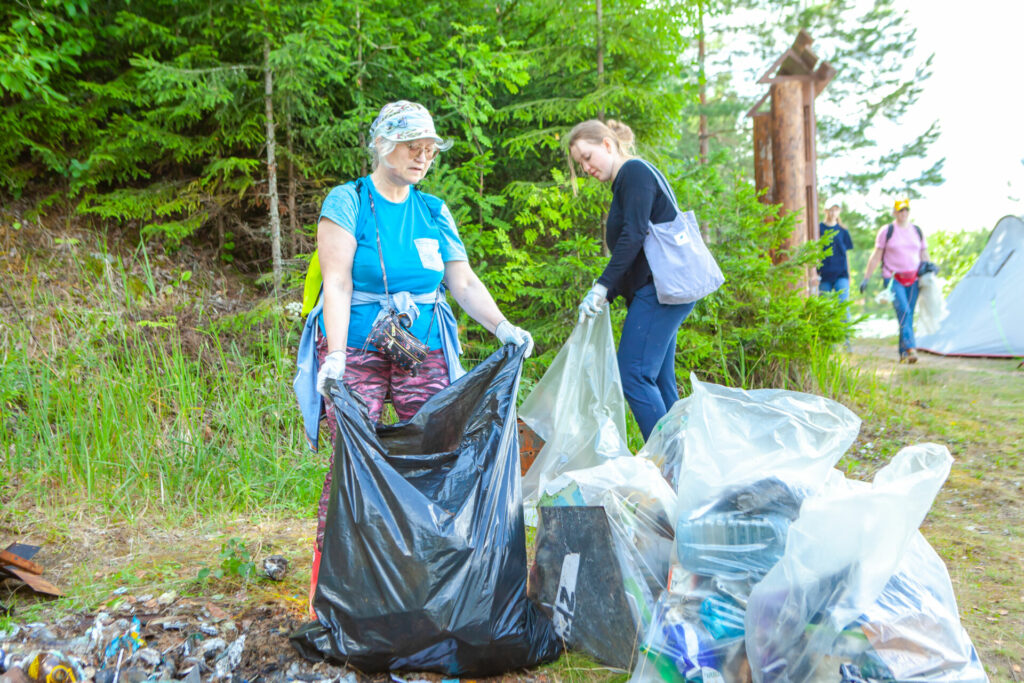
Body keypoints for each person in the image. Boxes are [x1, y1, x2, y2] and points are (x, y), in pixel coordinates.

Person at [308, 100, 533, 616]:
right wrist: (337, 355)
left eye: (430, 148)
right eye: (414, 146)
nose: (423, 156)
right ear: (383, 145)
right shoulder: (348, 202)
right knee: (352, 462)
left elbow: (462, 281)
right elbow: (337, 282)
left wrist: (502, 327)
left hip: (422, 350)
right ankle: (333, 587)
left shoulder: (434, 210)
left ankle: (419, 589)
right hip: (359, 349)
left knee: (433, 459)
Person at [568, 118, 696, 442]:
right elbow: (635, 248)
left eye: (587, 156)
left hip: (659, 291)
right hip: (660, 291)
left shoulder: (634, 173)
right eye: (579, 163)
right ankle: (685, 464)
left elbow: (634, 236)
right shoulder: (629, 178)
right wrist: (607, 294)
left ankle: (668, 466)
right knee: (660, 381)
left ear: (607, 145)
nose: (585, 167)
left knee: (635, 374)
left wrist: (602, 286)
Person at [859, 198, 930, 363]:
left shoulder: (917, 231)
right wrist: (866, 277)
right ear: (894, 212)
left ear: (909, 212)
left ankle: (903, 354)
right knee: (904, 311)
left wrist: (928, 270)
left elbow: (924, 253)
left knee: (908, 315)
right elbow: (876, 255)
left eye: (906, 210)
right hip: (893, 279)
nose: (903, 213)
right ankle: (911, 349)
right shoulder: (887, 231)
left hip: (913, 279)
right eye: (900, 210)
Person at [817, 203, 854, 303]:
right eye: (831, 210)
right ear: (826, 211)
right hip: (824, 275)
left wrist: (849, 275)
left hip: (841, 274)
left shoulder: (843, 230)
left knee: (843, 308)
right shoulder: (819, 229)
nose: (833, 213)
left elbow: (846, 254)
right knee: (823, 308)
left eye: (836, 210)